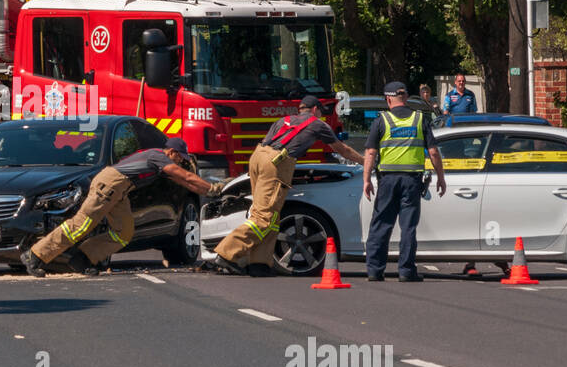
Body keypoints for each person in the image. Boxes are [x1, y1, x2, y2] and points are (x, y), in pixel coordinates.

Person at [205, 95, 365, 276]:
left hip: (258, 157)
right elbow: (341, 149)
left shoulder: (284, 120)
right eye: (320, 111)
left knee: (271, 217)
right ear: (314, 110)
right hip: (277, 162)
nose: (320, 115)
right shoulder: (318, 124)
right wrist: (364, 161)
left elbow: (270, 143)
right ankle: (226, 254)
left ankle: (260, 263)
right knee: (263, 218)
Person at [22, 137, 223, 277]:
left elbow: (185, 182)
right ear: (171, 152)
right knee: (81, 224)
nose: (181, 161)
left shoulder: (158, 160)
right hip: (110, 184)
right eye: (180, 158)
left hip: (120, 189)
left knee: (124, 233)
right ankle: (36, 255)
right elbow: (186, 176)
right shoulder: (159, 156)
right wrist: (214, 188)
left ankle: (82, 259)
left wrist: (206, 191)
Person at [363, 82, 446, 282]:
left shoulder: (381, 120)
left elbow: (371, 152)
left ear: (388, 99)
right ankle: (406, 271)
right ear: (406, 97)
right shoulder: (420, 119)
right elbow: (433, 152)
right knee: (408, 227)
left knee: (381, 224)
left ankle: (375, 270)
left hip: (387, 181)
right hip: (411, 181)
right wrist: (441, 177)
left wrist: (366, 180)